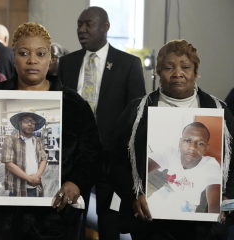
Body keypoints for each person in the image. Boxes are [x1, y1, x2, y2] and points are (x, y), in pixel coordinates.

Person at [0, 22, 102, 240]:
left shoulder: (73, 105)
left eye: (40, 54)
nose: (32, 60)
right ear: (14, 56)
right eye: (24, 53)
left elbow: (92, 155)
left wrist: (77, 182)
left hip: (54, 220)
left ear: (50, 58)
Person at [110, 39, 234, 239]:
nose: (178, 73)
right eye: (169, 67)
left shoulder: (219, 110)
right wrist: (134, 194)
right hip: (150, 223)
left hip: (202, 229)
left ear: (195, 71)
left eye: (185, 67)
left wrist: (227, 198)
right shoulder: (137, 111)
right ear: (158, 72)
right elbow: (114, 160)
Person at [57, 6, 146, 239]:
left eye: (88, 24)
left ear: (105, 27)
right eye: (79, 24)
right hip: (74, 159)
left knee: (109, 222)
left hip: (111, 159)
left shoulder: (128, 64)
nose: (82, 30)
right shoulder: (66, 63)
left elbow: (137, 117)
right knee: (73, 218)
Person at [147, 122, 221, 214]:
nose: (192, 148)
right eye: (187, 141)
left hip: (188, 204)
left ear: (206, 148)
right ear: (180, 142)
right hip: (167, 190)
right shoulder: (171, 152)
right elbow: (143, 166)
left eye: (200, 143)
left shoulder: (210, 166)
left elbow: (216, 205)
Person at [2, 110, 47, 197]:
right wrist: (29, 179)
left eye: (32, 121)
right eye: (26, 121)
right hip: (18, 189)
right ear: (19, 122)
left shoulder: (37, 141)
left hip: (37, 187)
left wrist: (37, 176)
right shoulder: (10, 140)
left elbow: (43, 159)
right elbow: (9, 164)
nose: (30, 124)